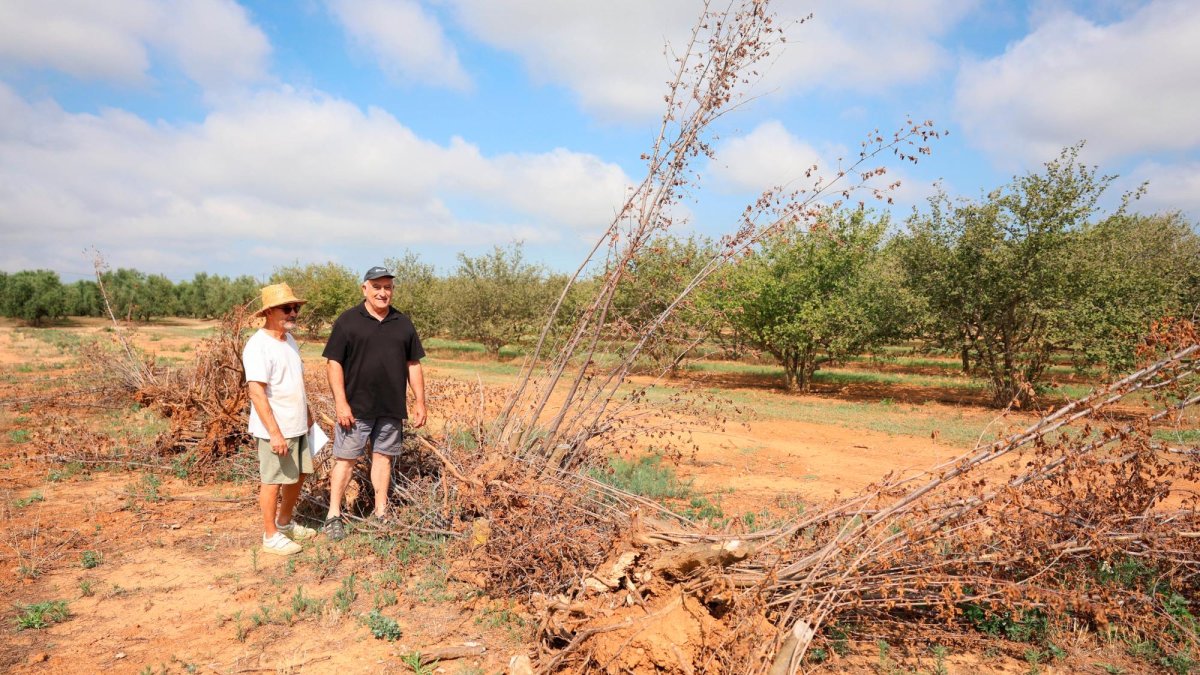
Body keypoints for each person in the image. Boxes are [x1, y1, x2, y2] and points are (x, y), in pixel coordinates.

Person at [321, 265, 427, 541]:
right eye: (377, 287)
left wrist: (420, 401)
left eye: (388, 287)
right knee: (346, 459)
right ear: (364, 288)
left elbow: (413, 363)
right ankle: (333, 515)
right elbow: (333, 364)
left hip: (390, 407)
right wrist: (341, 404)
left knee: (383, 458)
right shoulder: (348, 321)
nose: (383, 292)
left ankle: (382, 512)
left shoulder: (402, 323)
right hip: (355, 410)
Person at [243, 283, 317, 556]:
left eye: (296, 308)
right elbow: (256, 393)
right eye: (287, 308)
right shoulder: (258, 345)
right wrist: (274, 432)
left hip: (296, 423)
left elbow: (294, 382)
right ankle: (270, 535)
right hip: (275, 428)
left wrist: (307, 414)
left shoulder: (289, 340)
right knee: (273, 480)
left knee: (299, 474)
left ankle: (284, 524)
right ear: (269, 312)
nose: (294, 313)